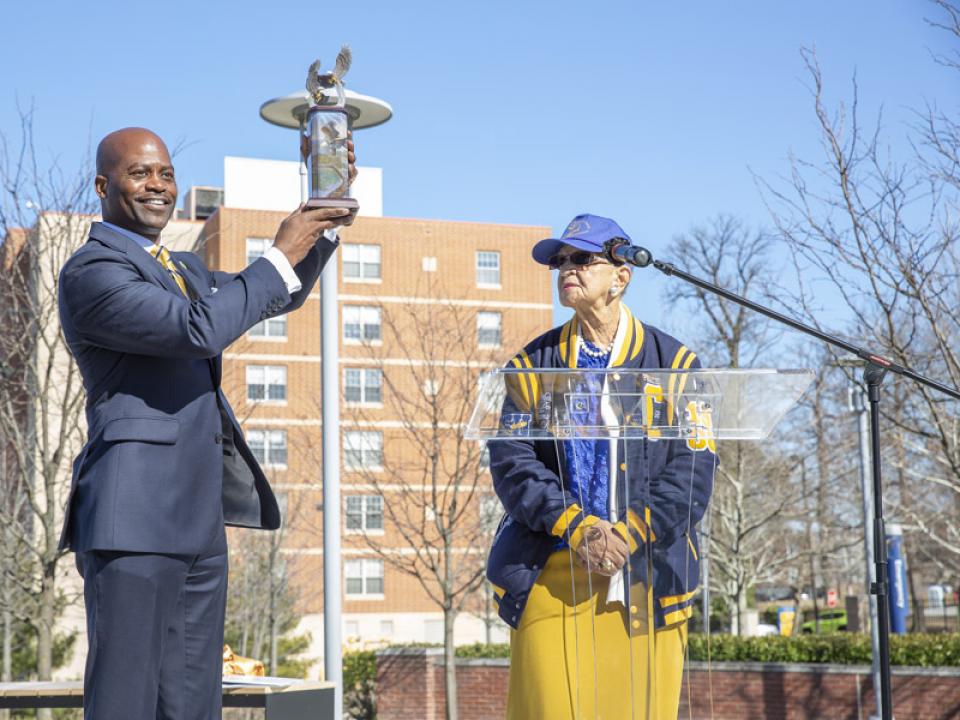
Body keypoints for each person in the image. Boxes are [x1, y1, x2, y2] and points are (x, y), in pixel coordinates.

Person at [57, 127, 356, 719]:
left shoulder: (184, 268)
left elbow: (271, 294)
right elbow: (198, 329)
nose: (158, 185)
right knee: (125, 703)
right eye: (140, 173)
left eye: (166, 174)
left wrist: (324, 215)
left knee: (193, 704)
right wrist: (278, 251)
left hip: (199, 524)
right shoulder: (92, 272)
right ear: (102, 186)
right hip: (132, 522)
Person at [486, 214, 716, 719]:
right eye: (560, 261)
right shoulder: (531, 366)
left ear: (621, 275)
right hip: (551, 568)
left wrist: (629, 533)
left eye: (582, 259)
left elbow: (693, 471)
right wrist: (578, 527)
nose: (566, 268)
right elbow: (513, 463)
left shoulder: (677, 365)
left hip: (647, 573)